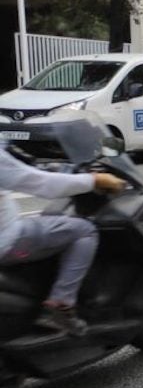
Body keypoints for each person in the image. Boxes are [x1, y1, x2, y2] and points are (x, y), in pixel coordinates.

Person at [0, 141, 125, 335]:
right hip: (7, 239)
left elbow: (22, 161)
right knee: (83, 230)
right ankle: (60, 306)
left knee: (48, 222)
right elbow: (41, 183)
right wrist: (95, 180)